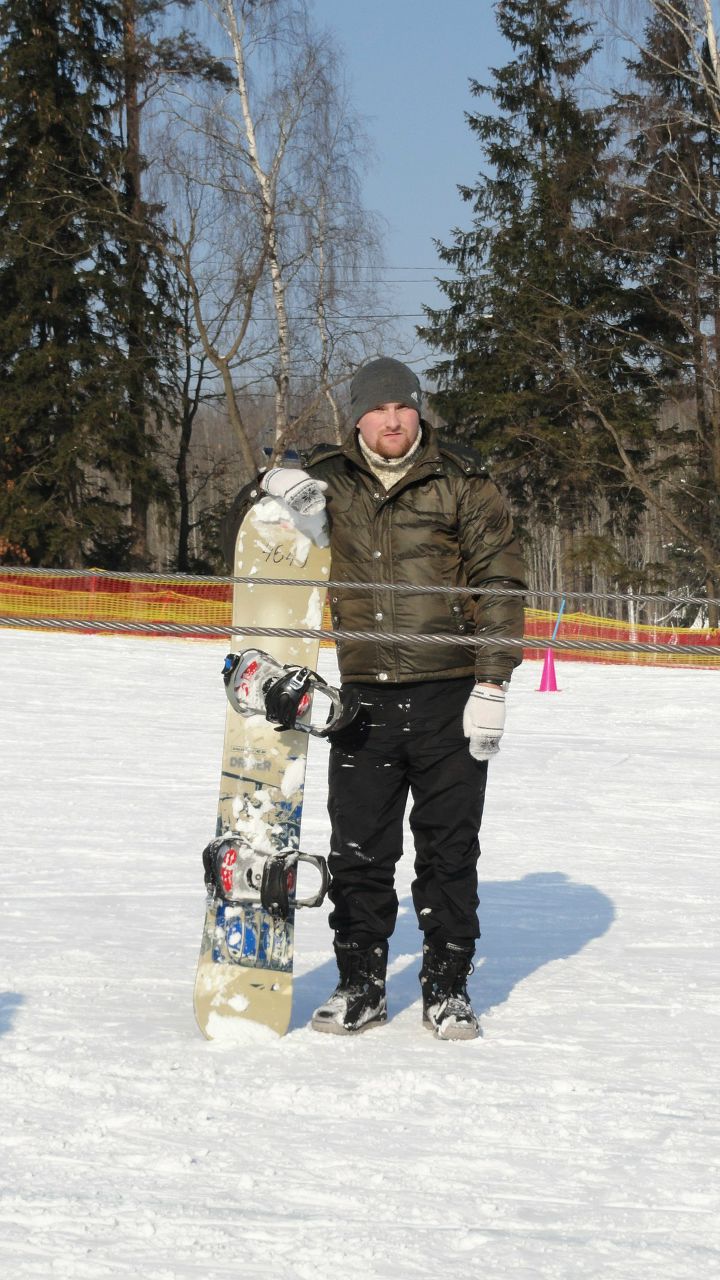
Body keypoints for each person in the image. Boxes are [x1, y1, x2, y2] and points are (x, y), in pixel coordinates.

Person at [222, 357, 526, 1040]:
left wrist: (492, 683)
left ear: (419, 411)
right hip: (362, 702)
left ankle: (447, 988)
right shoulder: (328, 481)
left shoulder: (463, 482)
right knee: (361, 852)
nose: (392, 420)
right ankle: (360, 984)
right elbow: (245, 550)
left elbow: (500, 584)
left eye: (404, 407)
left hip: (451, 696)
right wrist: (267, 489)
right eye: (378, 408)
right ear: (356, 416)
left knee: (450, 851)